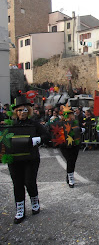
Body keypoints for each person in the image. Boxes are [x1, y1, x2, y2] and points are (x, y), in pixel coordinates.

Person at [2, 96, 50, 224]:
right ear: (15, 112)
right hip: (14, 159)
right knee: (17, 184)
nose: (21, 113)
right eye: (19, 110)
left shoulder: (34, 124)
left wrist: (36, 140)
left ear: (28, 111)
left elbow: (46, 135)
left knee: (29, 182)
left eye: (24, 110)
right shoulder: (10, 125)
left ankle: (35, 201)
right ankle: (20, 209)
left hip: (31, 158)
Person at [50, 105, 83, 188]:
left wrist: (81, 129)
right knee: (69, 160)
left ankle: (69, 176)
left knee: (72, 161)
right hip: (64, 144)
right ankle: (71, 179)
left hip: (75, 144)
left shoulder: (75, 121)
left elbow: (79, 128)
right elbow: (51, 129)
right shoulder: (59, 122)